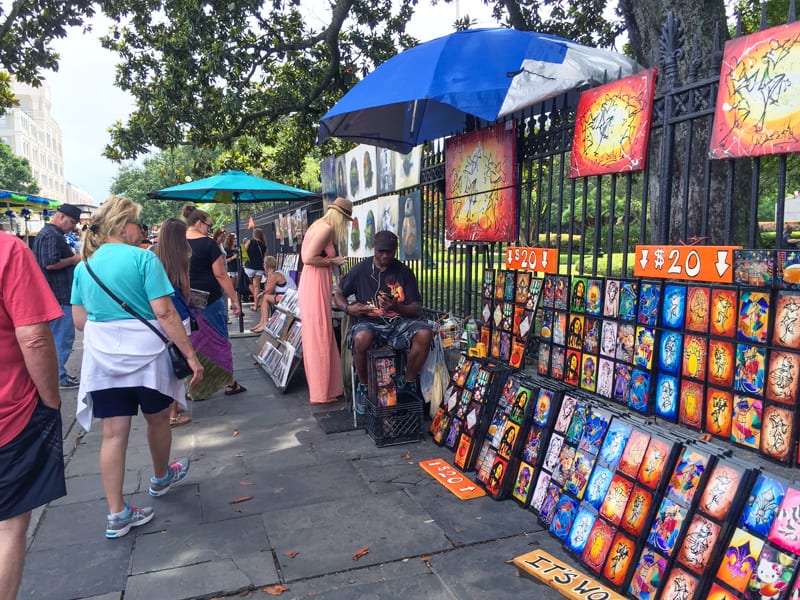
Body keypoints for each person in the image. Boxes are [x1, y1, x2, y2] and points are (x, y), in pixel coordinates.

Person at [71, 196, 203, 539]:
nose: (141, 231)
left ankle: (116, 513)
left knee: (113, 434)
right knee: (158, 419)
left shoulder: (83, 267)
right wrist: (190, 355)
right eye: (138, 225)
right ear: (123, 225)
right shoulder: (144, 259)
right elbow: (164, 312)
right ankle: (161, 477)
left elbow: (80, 320)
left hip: (103, 362)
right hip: (148, 358)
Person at [0, 233, 66, 599]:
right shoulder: (8, 250)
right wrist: (51, 399)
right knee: (8, 526)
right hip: (9, 414)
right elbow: (35, 338)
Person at [334, 229, 434, 414]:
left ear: (395, 250)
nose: (384, 255)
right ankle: (363, 386)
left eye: (389, 251)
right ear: (374, 248)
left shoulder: (404, 272)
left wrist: (396, 307)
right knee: (361, 336)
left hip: (397, 323)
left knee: (425, 332)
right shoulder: (360, 270)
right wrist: (348, 308)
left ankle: (409, 382)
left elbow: (416, 308)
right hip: (369, 322)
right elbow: (339, 293)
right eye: (380, 251)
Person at [182, 204, 246, 396]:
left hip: (186, 299)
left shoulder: (178, 243)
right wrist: (234, 299)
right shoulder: (208, 244)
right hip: (210, 299)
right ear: (199, 223)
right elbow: (221, 275)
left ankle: (196, 386)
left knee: (193, 342)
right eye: (209, 226)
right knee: (219, 339)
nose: (209, 230)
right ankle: (228, 382)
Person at [298, 197, 351, 404]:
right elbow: (308, 258)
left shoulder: (317, 225)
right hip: (315, 283)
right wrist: (333, 261)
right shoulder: (326, 229)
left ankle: (327, 388)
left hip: (313, 282)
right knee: (320, 335)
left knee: (319, 335)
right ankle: (322, 391)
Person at [33, 203, 82, 388]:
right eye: (72, 222)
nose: (74, 227)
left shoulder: (50, 234)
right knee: (62, 338)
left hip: (54, 294)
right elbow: (50, 264)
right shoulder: (52, 235)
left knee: (56, 338)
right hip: (59, 295)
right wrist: (74, 259)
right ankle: (58, 377)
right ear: (61, 217)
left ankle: (56, 375)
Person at [154, 217, 194, 428]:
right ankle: (173, 414)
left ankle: (164, 409)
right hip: (178, 313)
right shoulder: (183, 257)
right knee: (178, 364)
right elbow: (186, 290)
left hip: (156, 315)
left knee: (163, 362)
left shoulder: (151, 255)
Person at [251, 255, 297, 333]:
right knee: (263, 296)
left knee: (265, 297)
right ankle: (262, 322)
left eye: (264, 264)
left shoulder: (274, 275)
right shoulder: (275, 273)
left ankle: (265, 323)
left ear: (267, 265)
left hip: (289, 299)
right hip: (285, 296)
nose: (263, 266)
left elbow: (268, 290)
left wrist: (269, 276)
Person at [243, 228, 267, 310]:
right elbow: (265, 258)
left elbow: (243, 252)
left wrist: (243, 263)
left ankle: (259, 300)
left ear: (254, 234)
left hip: (249, 266)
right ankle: (256, 305)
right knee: (257, 286)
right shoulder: (264, 245)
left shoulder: (250, 241)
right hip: (259, 268)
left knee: (248, 284)